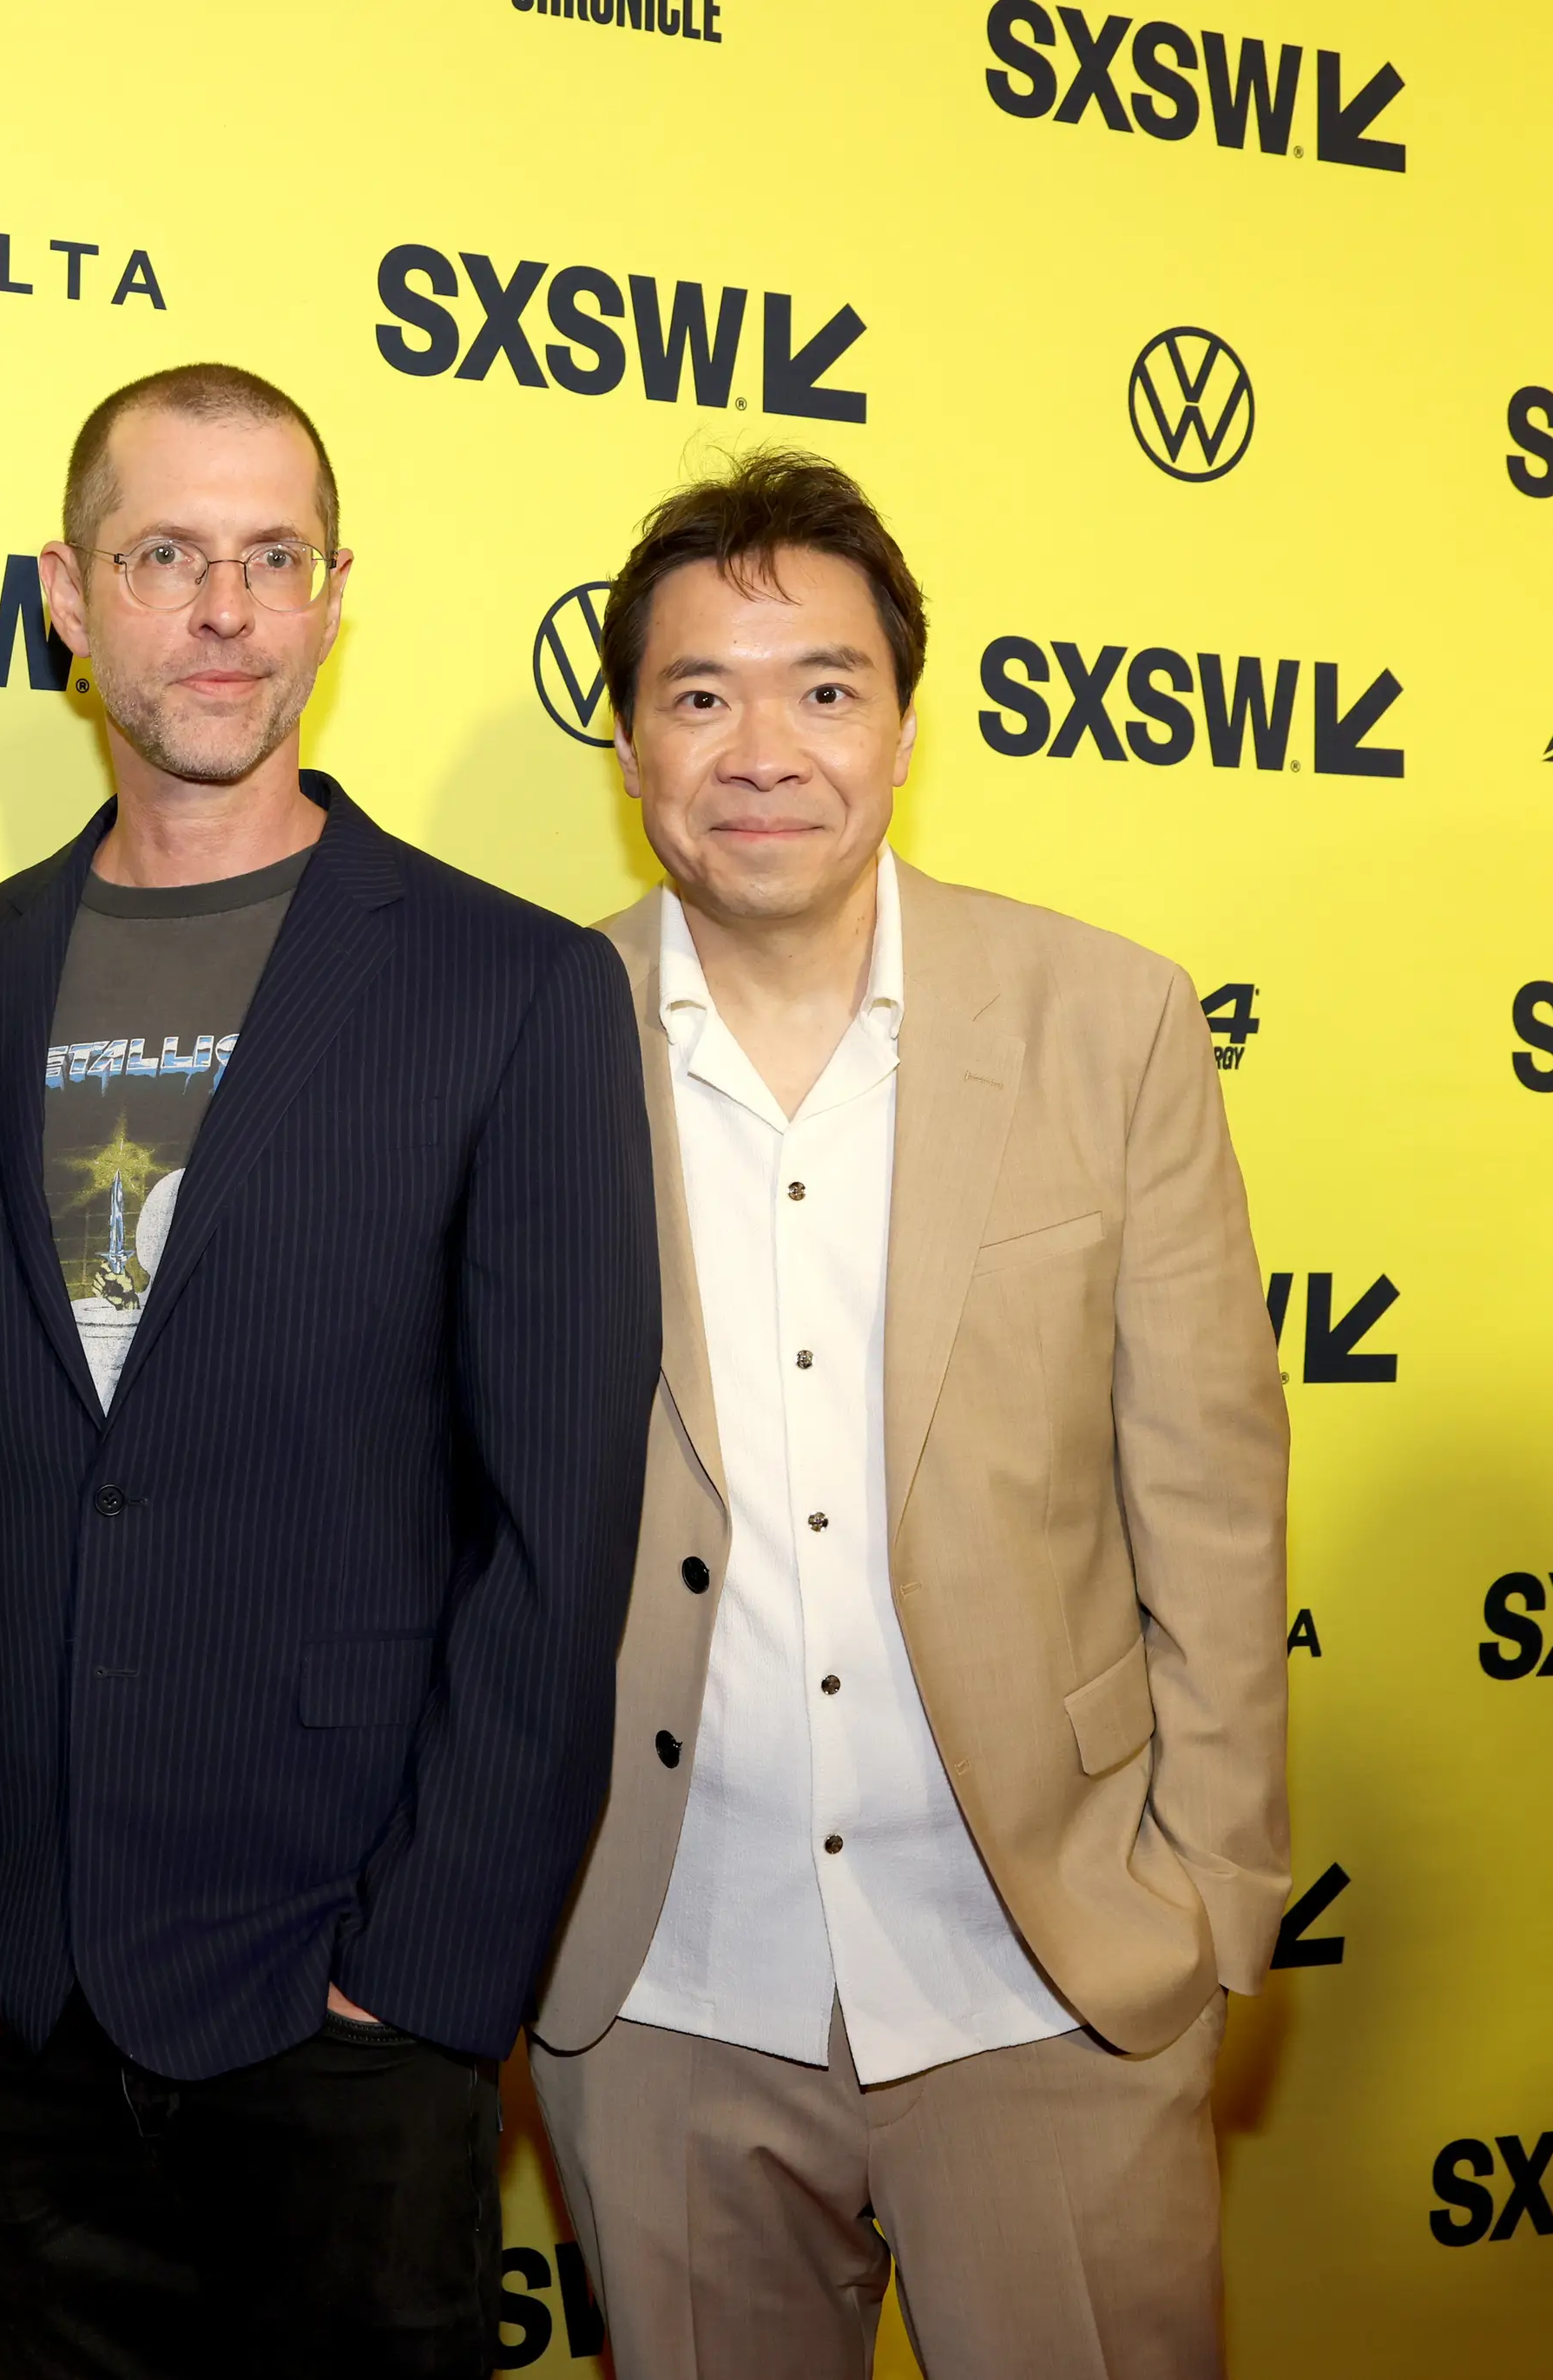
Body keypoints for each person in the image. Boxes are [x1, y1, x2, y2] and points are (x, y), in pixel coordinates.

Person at [0, 364, 659, 2379]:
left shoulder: (510, 985)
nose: (221, 608)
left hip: (346, 1988)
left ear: (333, 595)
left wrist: (435, 1962)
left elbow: (562, 1522)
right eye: (166, 556)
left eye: (271, 559)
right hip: (16, 1972)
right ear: (68, 594)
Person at [530, 450, 1291, 2380]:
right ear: (628, 746)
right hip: (664, 1990)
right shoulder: (517, 1043)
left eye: (825, 687)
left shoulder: (1107, 1021)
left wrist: (1208, 1907)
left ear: (907, 723)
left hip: (1052, 1979)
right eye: (701, 695)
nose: (762, 745)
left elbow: (1208, 1494)